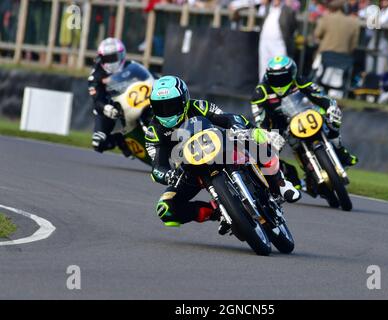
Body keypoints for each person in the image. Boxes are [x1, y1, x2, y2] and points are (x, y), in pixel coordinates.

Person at [145, 75, 300, 231]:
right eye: (160, 107)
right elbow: (157, 166)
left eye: (171, 106)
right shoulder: (154, 132)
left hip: (220, 147)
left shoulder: (198, 106)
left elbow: (227, 117)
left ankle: (280, 183)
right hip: (190, 170)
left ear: (184, 101)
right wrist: (169, 175)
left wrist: (239, 128)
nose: (166, 112)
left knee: (252, 137)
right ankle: (219, 213)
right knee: (165, 208)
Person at [251, 55, 358, 190]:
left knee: (333, 120)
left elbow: (319, 95)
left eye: (283, 77)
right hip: (279, 126)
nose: (279, 81)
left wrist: (330, 107)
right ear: (268, 77)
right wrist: (266, 133)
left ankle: (341, 152)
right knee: (265, 154)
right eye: (275, 78)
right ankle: (289, 177)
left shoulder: (300, 80)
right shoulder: (261, 92)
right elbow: (259, 117)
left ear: (292, 74)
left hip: (304, 115)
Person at [88, 37, 132, 157]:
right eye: (107, 58)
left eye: (113, 57)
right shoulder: (95, 75)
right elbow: (97, 100)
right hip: (108, 107)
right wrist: (106, 108)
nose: (111, 62)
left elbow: (148, 78)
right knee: (98, 143)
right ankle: (120, 140)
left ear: (122, 55)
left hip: (131, 102)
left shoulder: (131, 66)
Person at [258, 0, 298, 80]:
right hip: (265, 41)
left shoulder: (287, 9)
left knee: (280, 67)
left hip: (279, 43)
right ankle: (263, 86)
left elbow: (292, 26)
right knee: (264, 66)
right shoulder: (268, 7)